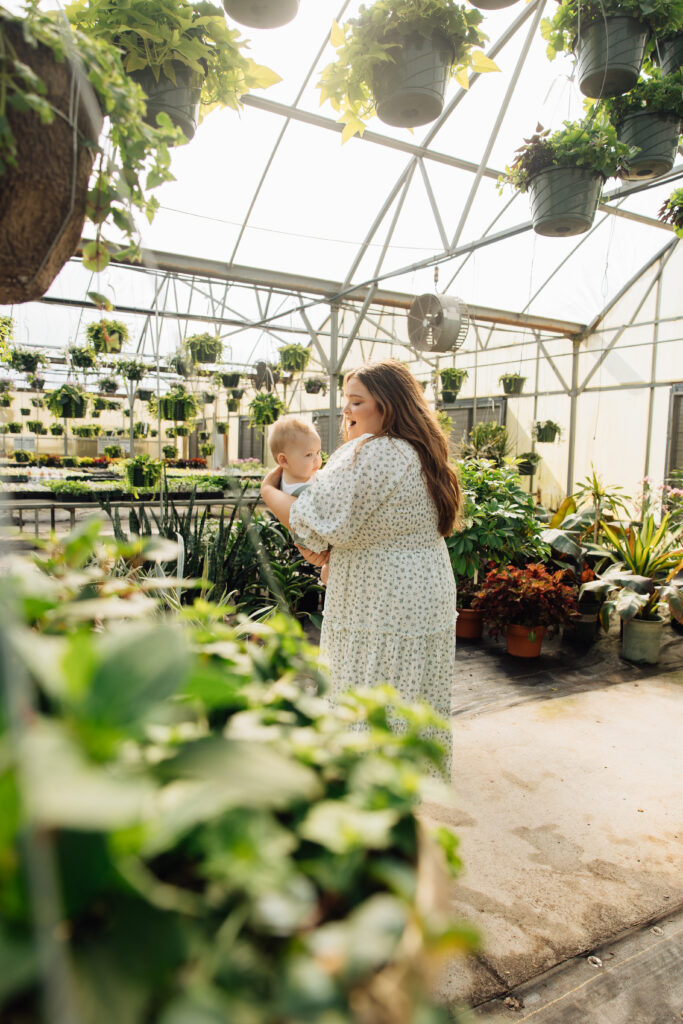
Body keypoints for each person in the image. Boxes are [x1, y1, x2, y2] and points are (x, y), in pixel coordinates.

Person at [260, 359, 462, 775]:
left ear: (386, 406)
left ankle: (371, 796)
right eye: (346, 402)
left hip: (381, 600)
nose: (346, 412)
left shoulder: (375, 452)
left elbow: (312, 522)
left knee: (369, 699)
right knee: (408, 698)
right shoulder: (420, 450)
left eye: (356, 402)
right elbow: (364, 523)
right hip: (423, 589)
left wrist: (268, 491)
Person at [268, 414, 323, 496]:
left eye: (318, 452)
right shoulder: (302, 494)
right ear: (284, 460)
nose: (317, 459)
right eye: (309, 455)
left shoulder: (300, 473)